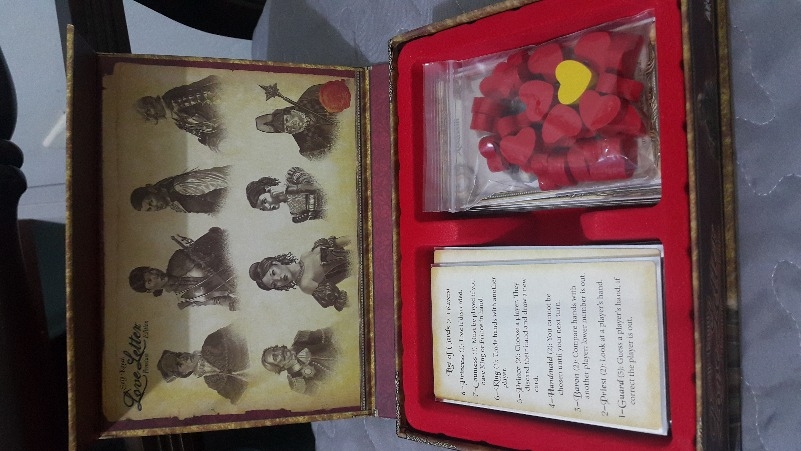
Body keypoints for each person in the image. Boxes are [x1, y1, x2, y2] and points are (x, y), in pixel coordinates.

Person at [129, 227, 238, 311]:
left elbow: (215, 239)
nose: (155, 275)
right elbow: (217, 300)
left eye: (151, 271)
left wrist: (208, 260)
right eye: (149, 281)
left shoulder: (177, 260)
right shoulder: (184, 298)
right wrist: (232, 304)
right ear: (150, 290)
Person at [249, 236, 350, 311]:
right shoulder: (305, 285)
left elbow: (337, 242)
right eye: (274, 284)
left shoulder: (305, 256)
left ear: (276, 262)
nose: (278, 279)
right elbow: (340, 300)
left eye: (273, 273)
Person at [157, 324, 249, 404]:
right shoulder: (212, 382)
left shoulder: (210, 343)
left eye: (179, 355)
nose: (183, 358)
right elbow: (239, 397)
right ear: (183, 374)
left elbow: (241, 328)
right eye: (179, 364)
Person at [135, 75, 227, 151]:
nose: (151, 117)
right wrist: (209, 140)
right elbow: (201, 133)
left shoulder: (173, 101)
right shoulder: (178, 121)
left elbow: (209, 94)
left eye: (148, 112)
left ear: (152, 101)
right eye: (147, 117)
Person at [254, 83, 340, 160]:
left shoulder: (310, 96)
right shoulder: (308, 145)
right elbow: (335, 152)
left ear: (290, 111)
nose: (292, 124)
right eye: (287, 128)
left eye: (287, 119)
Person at [261, 328, 337, 395]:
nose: (279, 352)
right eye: (275, 357)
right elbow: (325, 393)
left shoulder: (301, 338)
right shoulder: (296, 382)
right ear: (279, 367)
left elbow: (333, 332)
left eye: (275, 349)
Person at [130, 166, 230, 214]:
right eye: (149, 209)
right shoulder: (176, 205)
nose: (155, 207)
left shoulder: (180, 185)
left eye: (151, 202)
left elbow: (223, 177)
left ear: (151, 190)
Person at [244, 167, 325, 223]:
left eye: (264, 201)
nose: (267, 207)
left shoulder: (291, 176)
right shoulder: (295, 213)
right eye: (263, 209)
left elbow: (314, 187)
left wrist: (286, 190)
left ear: (268, 188)